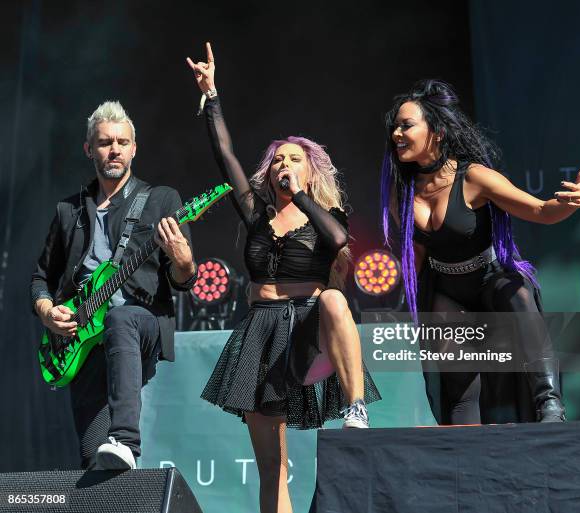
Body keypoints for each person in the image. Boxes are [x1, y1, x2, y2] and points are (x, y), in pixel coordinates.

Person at [187, 43, 380, 513]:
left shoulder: (326, 212)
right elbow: (225, 154)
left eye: (294, 160)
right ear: (268, 173)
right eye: (277, 161)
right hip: (261, 330)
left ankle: (355, 410)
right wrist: (211, 95)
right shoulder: (255, 212)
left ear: (309, 171)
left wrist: (305, 199)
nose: (284, 166)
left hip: (308, 330)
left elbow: (337, 241)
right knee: (272, 469)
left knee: (334, 301)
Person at [380, 79, 580, 425]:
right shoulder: (402, 191)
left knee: (518, 293)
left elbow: (540, 211)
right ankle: (467, 456)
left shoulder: (474, 178)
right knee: (459, 388)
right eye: (395, 127)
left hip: (490, 278)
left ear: (438, 131)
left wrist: (568, 205)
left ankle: (550, 406)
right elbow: (416, 251)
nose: (397, 134)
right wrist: (414, 304)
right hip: (446, 288)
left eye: (406, 125)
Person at [31, 101, 196, 470]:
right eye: (105, 142)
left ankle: (125, 439)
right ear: (89, 149)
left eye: (123, 141)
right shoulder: (68, 211)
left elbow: (183, 279)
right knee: (94, 458)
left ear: (134, 148)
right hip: (82, 337)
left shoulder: (161, 200)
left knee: (121, 318)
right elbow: (41, 278)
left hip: (142, 322)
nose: (115, 149)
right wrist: (46, 311)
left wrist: (184, 262)